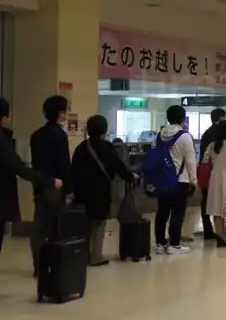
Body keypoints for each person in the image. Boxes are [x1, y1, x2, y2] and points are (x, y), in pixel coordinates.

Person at [0, 98, 60, 256]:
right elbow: (19, 168)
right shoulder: (2, 141)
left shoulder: (35, 135)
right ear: (4, 117)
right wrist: (50, 181)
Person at [71, 115, 133, 266]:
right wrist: (130, 177)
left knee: (84, 224)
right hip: (100, 191)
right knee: (99, 224)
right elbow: (118, 165)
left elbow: (73, 170)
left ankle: (82, 254)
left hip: (82, 192)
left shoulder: (81, 147)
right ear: (104, 130)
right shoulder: (107, 147)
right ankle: (96, 256)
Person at [29, 95, 72, 276]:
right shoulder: (59, 135)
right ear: (60, 113)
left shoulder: (36, 135)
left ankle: (39, 265)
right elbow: (64, 164)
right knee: (55, 228)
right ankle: (53, 265)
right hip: (56, 187)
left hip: (40, 185)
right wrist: (69, 189)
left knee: (39, 228)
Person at [155, 105, 198, 254]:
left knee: (162, 212)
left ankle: (160, 243)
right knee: (177, 213)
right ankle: (174, 244)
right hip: (180, 181)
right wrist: (194, 181)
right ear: (182, 119)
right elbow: (191, 161)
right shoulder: (185, 136)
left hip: (163, 180)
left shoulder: (159, 135)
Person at [198, 108, 226, 240]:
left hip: (206, 172)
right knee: (221, 200)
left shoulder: (206, 133)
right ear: (221, 118)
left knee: (206, 200)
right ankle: (224, 230)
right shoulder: (220, 134)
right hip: (218, 172)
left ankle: (207, 229)